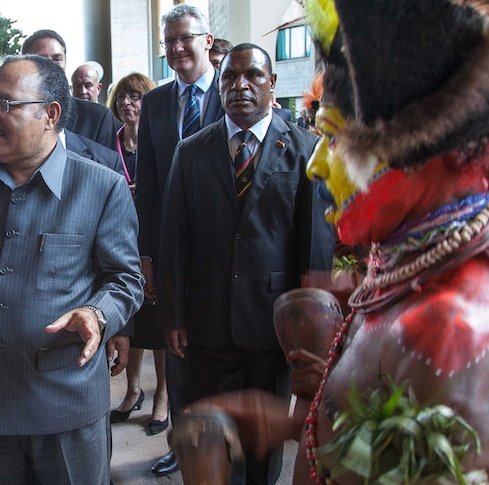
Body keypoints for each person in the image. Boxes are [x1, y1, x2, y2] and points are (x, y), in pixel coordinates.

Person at [190, 1, 489, 483]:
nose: (316, 165)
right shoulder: (415, 274)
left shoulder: (455, 334)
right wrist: (296, 422)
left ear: (415, 151)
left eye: (336, 138)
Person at [0, 54, 144, 485]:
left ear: (51, 114)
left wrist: (97, 313)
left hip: (65, 398)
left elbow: (126, 280)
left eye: (6, 105)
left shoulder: (102, 186)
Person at [158, 43, 334, 484]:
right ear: (218, 86)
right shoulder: (192, 150)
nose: (240, 85)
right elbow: (174, 240)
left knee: (261, 446)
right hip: (209, 321)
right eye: (230, 77)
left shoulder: (305, 149)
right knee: (211, 433)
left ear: (272, 84)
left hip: (273, 327)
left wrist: (309, 336)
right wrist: (174, 315)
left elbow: (314, 251)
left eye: (253, 76)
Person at [134, 3, 225, 476]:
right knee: (179, 354)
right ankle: (183, 444)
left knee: (221, 351)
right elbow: (146, 186)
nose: (175, 49)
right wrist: (146, 255)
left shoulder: (235, 94)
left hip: (224, 253)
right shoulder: (155, 103)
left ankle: (227, 444)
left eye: (184, 39)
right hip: (171, 255)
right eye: (167, 42)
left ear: (207, 41)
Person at [105, 72, 171, 434]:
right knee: (131, 318)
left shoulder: (159, 141)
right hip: (119, 239)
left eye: (136, 97)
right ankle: (132, 390)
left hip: (151, 239)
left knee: (158, 320)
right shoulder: (108, 141)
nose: (128, 104)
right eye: (122, 98)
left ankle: (162, 394)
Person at [22, 29, 120, 151]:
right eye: (41, 58)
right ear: (23, 62)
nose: (50, 65)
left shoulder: (97, 117)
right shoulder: (9, 113)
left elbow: (108, 168)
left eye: (57, 59)